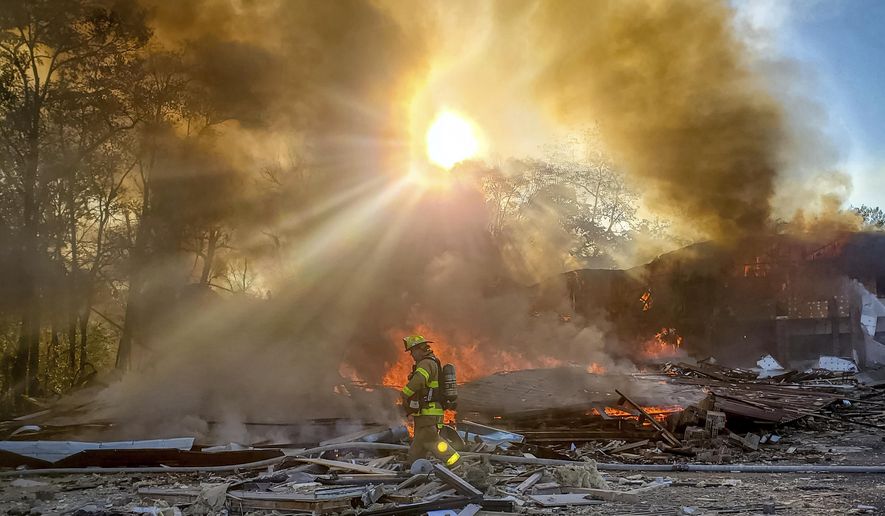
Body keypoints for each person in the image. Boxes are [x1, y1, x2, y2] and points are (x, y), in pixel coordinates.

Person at [400, 335, 460, 466]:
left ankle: (456, 463)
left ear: (419, 349)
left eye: (412, 351)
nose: (411, 355)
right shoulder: (431, 362)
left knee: (431, 440)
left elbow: (419, 380)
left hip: (429, 412)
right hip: (425, 413)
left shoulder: (426, 363)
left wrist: (404, 393)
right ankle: (412, 465)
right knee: (419, 443)